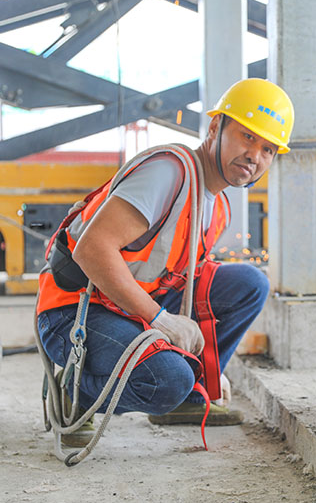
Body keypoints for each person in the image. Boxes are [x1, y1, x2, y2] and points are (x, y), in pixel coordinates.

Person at [36, 78, 294, 444]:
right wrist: (161, 320)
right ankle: (76, 392)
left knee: (250, 285)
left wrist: (208, 365)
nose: (255, 155)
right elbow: (91, 249)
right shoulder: (169, 173)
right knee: (166, 380)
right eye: (247, 137)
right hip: (76, 310)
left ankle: (191, 394)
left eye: (268, 149)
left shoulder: (217, 207)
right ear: (215, 127)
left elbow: (186, 283)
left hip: (126, 305)